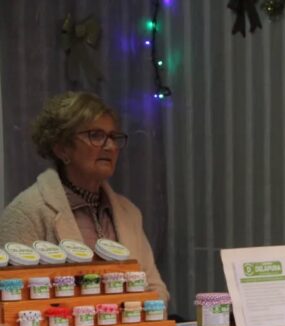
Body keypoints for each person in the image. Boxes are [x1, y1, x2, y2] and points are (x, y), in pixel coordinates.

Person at [0, 91, 169, 301]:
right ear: (62, 149)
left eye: (113, 137)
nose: (110, 146)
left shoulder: (129, 213)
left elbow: (155, 287)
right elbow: (10, 300)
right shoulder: (27, 212)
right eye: (95, 136)